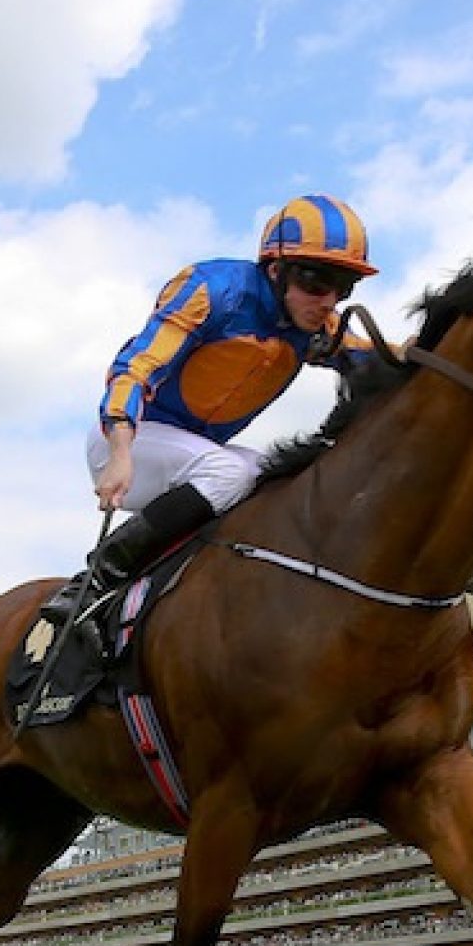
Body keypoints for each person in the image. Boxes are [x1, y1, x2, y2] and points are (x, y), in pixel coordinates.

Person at [39, 194, 382, 636]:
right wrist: (121, 450)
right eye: (318, 282)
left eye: (344, 288)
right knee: (229, 471)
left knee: (278, 478)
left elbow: (383, 357)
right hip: (129, 440)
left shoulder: (318, 329)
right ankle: (94, 581)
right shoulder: (211, 290)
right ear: (276, 272)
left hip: (191, 458)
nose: (329, 302)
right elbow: (136, 368)